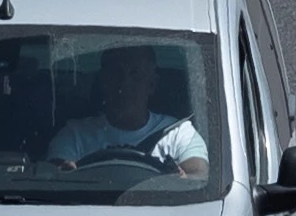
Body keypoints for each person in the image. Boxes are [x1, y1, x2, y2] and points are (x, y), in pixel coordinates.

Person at [45, 46, 207, 173]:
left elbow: (198, 177)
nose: (125, 84)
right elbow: (53, 176)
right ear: (104, 81)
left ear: (151, 84)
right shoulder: (74, 136)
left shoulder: (178, 133)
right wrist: (64, 172)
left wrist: (181, 179)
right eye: (116, 74)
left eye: (135, 74)